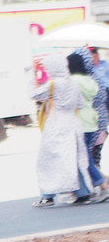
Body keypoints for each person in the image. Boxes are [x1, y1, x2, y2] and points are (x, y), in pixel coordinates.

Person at [32, 55, 95, 207]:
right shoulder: (73, 83)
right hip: (73, 123)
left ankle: (47, 196)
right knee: (74, 159)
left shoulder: (53, 84)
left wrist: (32, 76)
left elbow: (34, 95)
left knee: (50, 161)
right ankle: (82, 193)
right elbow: (80, 103)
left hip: (56, 125)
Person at [67, 52, 108, 200]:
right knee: (88, 157)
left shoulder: (73, 81)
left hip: (80, 123)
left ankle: (102, 185)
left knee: (84, 158)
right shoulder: (91, 79)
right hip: (93, 122)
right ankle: (86, 189)